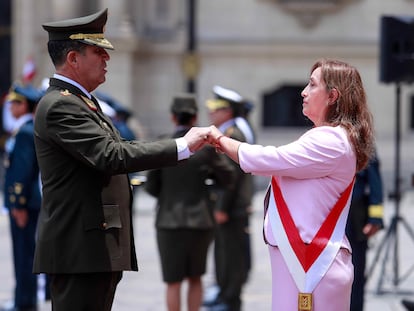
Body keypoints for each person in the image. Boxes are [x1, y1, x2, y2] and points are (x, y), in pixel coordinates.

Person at [33, 8, 210, 311]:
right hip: (80, 249)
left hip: (93, 247)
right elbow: (111, 155)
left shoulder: (81, 102)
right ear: (73, 58)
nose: (107, 58)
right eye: (96, 51)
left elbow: (120, 145)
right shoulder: (61, 106)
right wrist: (181, 145)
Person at [206, 59, 375, 311]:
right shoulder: (332, 136)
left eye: (312, 84)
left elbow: (268, 159)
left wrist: (217, 138)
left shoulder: (331, 139)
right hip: (304, 261)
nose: (303, 92)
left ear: (332, 96)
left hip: (313, 264)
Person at [145, 94, 236, 311]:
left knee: (173, 281)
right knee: (196, 277)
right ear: (195, 119)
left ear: (173, 117)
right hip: (200, 219)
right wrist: (208, 184)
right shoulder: (204, 148)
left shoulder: (163, 143)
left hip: (168, 220)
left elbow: (151, 186)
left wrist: (167, 195)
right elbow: (229, 177)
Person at [204, 85, 254, 311]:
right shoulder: (227, 131)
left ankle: (230, 299)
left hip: (232, 208)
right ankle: (224, 294)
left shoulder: (233, 134)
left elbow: (231, 177)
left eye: (216, 108)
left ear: (228, 111)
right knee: (223, 253)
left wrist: (222, 207)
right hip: (228, 206)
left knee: (232, 256)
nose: (211, 112)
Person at [2, 83, 42, 311]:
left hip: (25, 203)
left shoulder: (26, 131)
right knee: (22, 252)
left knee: (24, 253)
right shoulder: (22, 129)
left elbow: (23, 171)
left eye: (15, 103)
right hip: (24, 202)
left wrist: (18, 204)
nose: (10, 107)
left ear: (25, 105)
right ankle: (22, 299)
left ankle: (24, 302)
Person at [346, 151, 384, 311]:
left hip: (354, 220)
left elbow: (375, 183)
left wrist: (375, 219)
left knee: (355, 273)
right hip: (330, 219)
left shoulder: (362, 142)